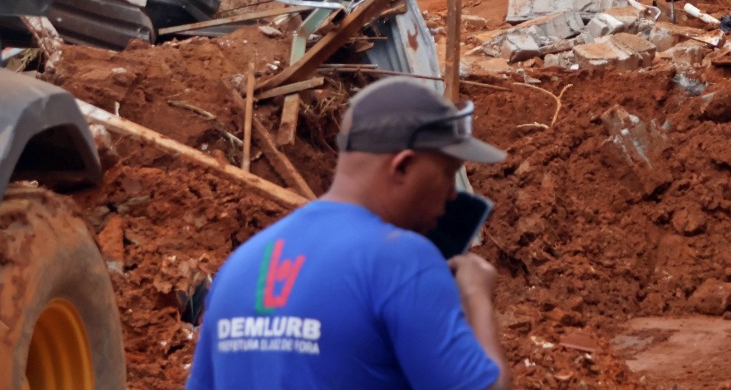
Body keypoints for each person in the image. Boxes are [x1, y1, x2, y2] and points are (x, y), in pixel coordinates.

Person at [186, 77, 511, 390]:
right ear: (403, 166)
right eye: (447, 174)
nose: (453, 195)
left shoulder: (239, 267)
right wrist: (476, 295)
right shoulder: (402, 259)